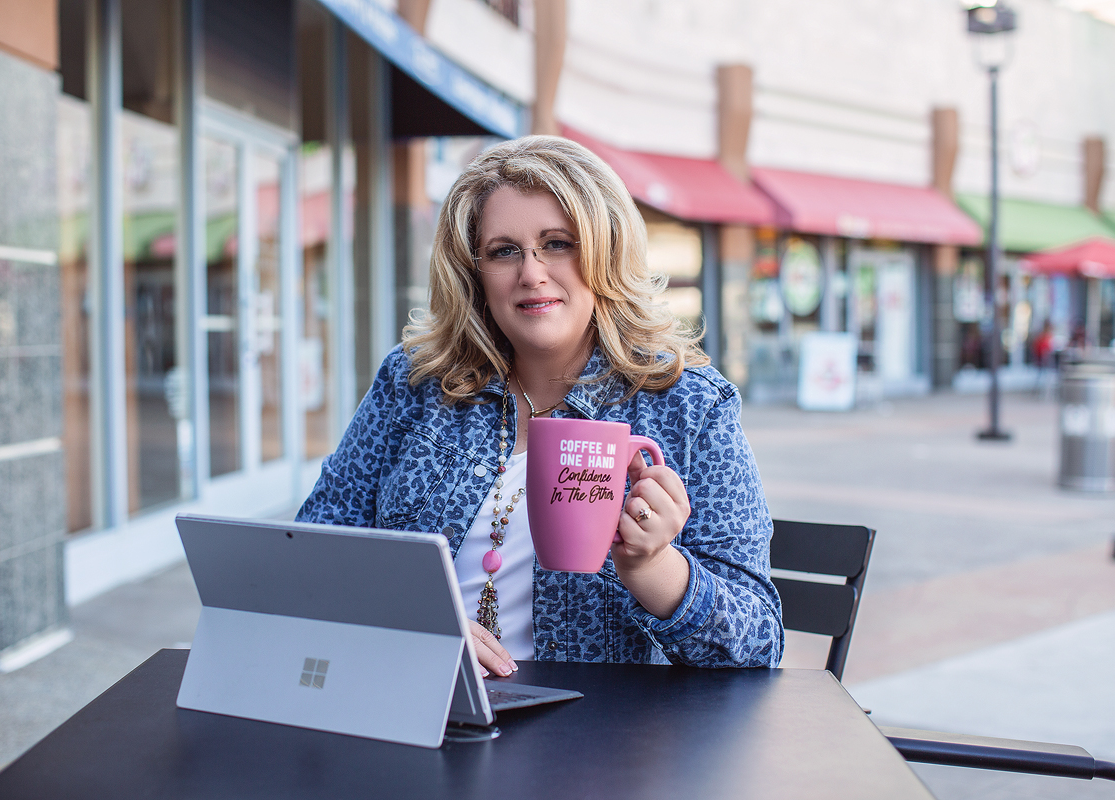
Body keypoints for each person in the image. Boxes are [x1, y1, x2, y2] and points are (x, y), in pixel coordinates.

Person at [297, 136, 782, 674]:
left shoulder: (689, 407)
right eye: (504, 251)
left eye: (557, 243)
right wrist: (418, 619)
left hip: (592, 737)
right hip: (414, 700)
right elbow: (315, 549)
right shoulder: (416, 383)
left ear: (606, 251)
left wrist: (653, 566)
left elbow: (757, 644)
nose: (531, 273)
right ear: (474, 273)